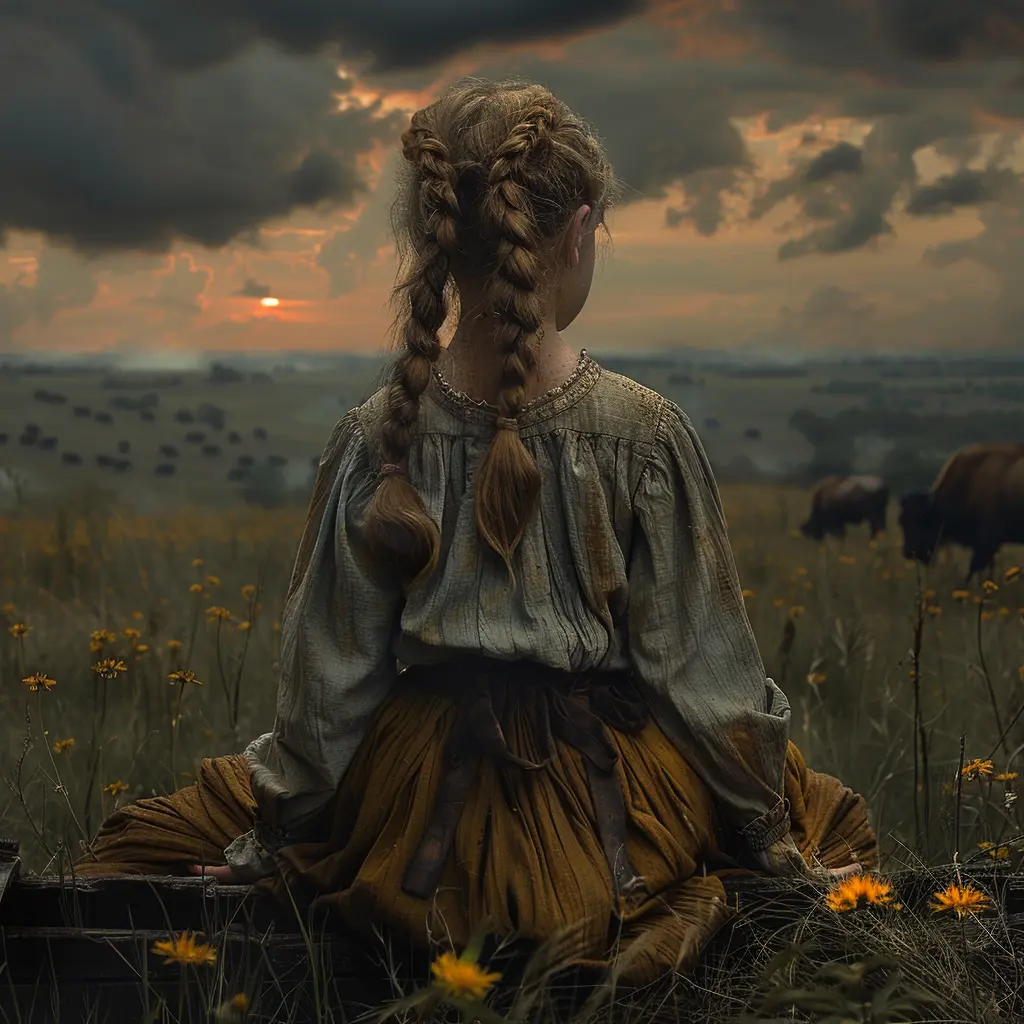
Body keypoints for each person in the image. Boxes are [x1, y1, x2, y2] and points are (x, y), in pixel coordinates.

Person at [75, 77, 874, 985]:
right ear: (577, 231)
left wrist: (278, 835)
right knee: (826, 814)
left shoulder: (376, 435)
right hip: (607, 800)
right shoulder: (647, 433)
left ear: (435, 241)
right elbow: (703, 680)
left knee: (150, 836)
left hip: (415, 805)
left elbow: (330, 685)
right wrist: (771, 841)